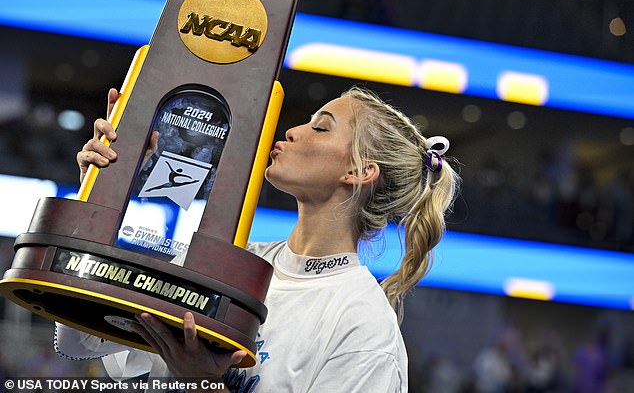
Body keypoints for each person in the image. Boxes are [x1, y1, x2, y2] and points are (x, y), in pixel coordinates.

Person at [57, 86, 460, 392]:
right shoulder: (231, 263)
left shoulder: (364, 327)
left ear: (357, 172)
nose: (294, 130)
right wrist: (107, 199)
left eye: (320, 127)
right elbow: (88, 336)